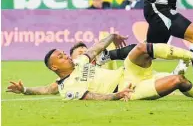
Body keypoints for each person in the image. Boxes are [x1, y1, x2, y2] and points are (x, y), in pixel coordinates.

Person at [41, 34, 193, 101]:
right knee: (177, 81)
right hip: (128, 90)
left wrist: (112, 36)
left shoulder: (80, 62)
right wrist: (117, 96)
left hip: (127, 73)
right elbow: (90, 97)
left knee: (141, 47)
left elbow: (95, 48)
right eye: (61, 57)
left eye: (64, 53)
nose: (65, 55)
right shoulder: (67, 88)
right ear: (54, 67)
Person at [6, 42, 143, 96]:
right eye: (79, 52)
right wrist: (24, 90)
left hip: (124, 74)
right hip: (120, 87)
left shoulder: (86, 61)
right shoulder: (69, 80)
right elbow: (47, 89)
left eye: (84, 50)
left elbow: (96, 50)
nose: (83, 53)